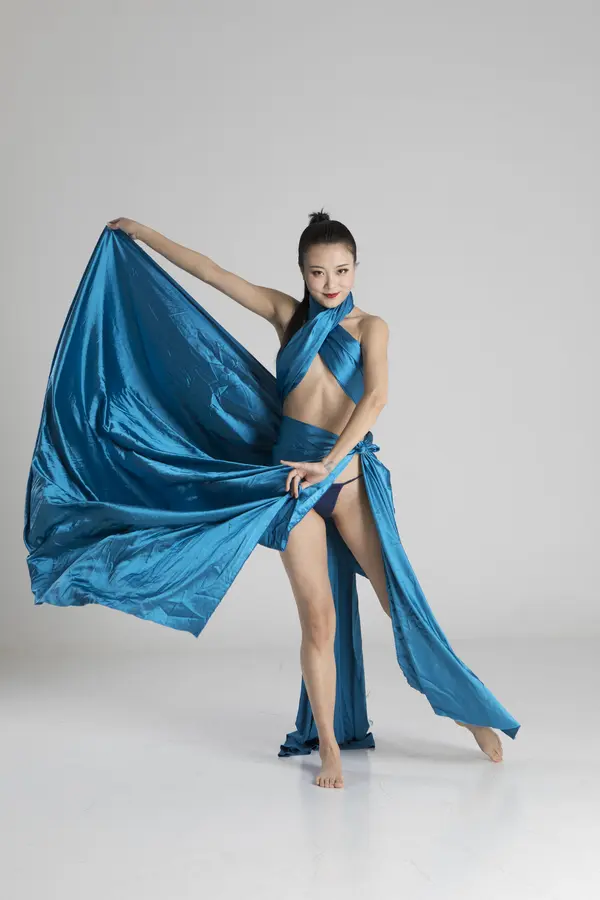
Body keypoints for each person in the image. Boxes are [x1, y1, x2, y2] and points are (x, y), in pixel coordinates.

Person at [23, 212, 520, 792]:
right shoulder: (288, 316)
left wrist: (329, 464)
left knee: (400, 604)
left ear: (356, 268)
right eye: (318, 272)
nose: (330, 282)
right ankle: (327, 744)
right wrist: (145, 236)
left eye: (341, 270)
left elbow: (377, 399)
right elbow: (212, 273)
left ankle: (466, 712)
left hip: (346, 482)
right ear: (302, 272)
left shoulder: (371, 328)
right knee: (318, 619)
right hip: (291, 489)